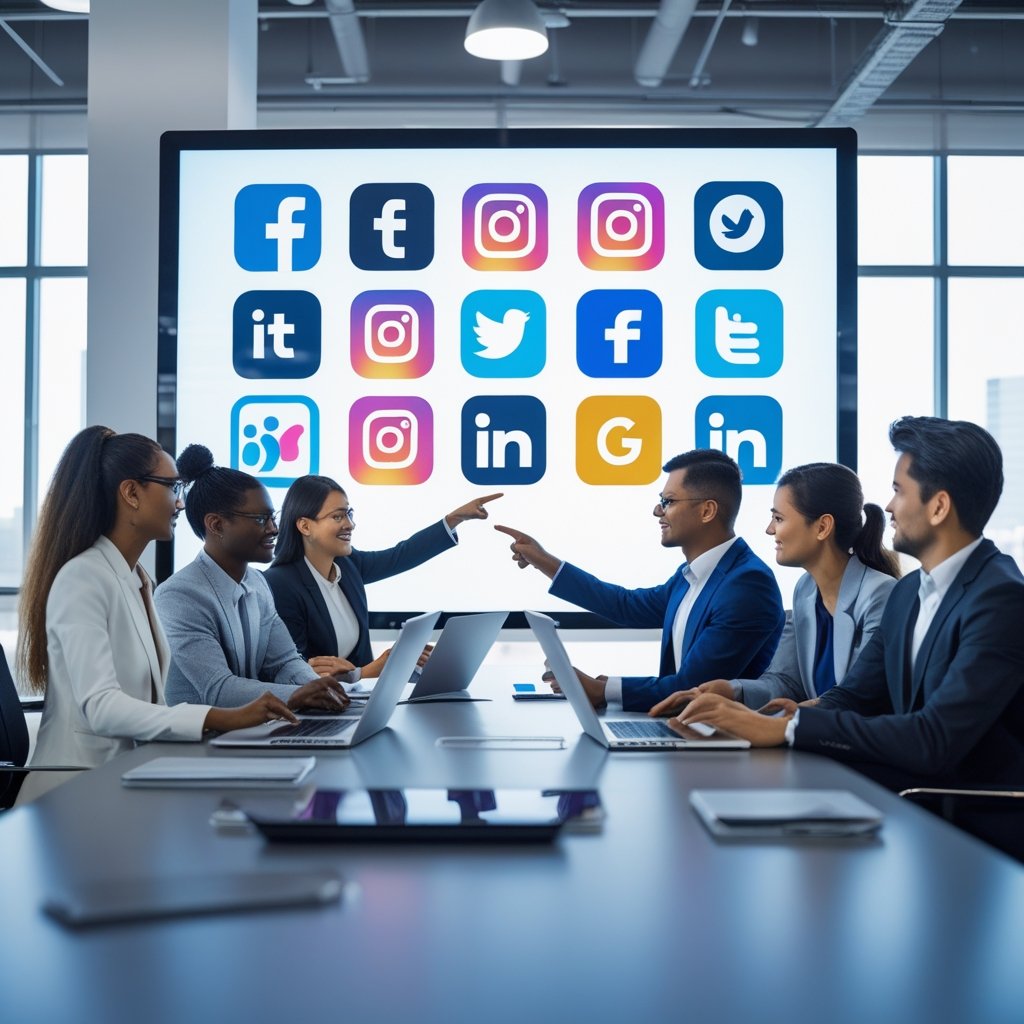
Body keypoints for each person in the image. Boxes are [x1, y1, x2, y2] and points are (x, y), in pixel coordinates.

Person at [674, 417, 1024, 796]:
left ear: (939, 507)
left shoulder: (1001, 599)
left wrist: (790, 728)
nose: (888, 506)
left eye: (898, 491)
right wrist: (771, 716)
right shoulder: (909, 593)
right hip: (908, 792)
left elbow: (934, 738)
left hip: (970, 816)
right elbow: (854, 695)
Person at [15, 427, 298, 803]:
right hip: (76, 795)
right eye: (171, 488)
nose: (180, 503)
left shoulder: (137, 579)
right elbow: (101, 708)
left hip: (130, 777)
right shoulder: (83, 578)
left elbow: (149, 709)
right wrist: (220, 718)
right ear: (131, 493)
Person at [496, 449, 785, 712]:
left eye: (667, 501)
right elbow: (626, 605)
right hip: (689, 734)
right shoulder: (692, 576)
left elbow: (691, 689)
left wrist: (602, 689)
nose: (657, 511)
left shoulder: (747, 584)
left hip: (728, 752)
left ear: (707, 511)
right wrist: (544, 561)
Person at [649, 462, 900, 715]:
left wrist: (788, 719)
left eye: (778, 518)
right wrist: (729, 690)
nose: (770, 530)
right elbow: (785, 682)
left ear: (822, 527)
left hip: (856, 749)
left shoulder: (882, 594)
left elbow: (858, 696)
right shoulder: (805, 591)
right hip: (816, 746)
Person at [155, 445, 351, 712]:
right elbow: (219, 689)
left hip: (244, 735)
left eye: (272, 517)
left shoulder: (257, 582)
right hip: (197, 746)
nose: (274, 529)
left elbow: (285, 662)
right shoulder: (179, 596)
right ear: (216, 525)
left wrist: (324, 691)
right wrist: (297, 695)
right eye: (260, 519)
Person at [264, 474, 501, 679]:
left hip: (358, 702)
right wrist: (369, 671)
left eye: (349, 514)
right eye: (337, 517)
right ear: (305, 526)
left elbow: (400, 556)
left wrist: (453, 519)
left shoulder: (348, 565)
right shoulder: (280, 584)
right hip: (315, 715)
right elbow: (294, 675)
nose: (350, 524)